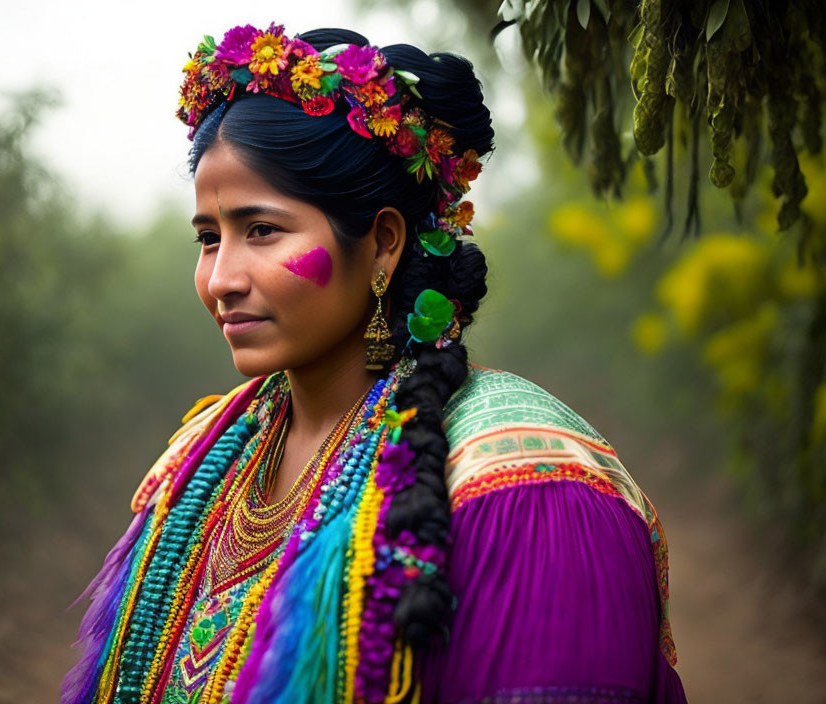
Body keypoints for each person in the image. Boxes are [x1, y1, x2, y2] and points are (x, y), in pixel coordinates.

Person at [62, 22, 687, 704]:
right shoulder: (199, 456)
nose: (220, 280)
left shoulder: (524, 483)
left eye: (262, 231)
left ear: (384, 242)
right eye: (209, 239)